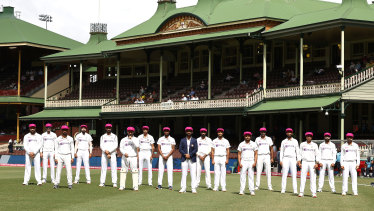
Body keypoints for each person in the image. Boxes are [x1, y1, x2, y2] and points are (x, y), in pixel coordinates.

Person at [280, 128, 300, 194]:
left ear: (292, 133)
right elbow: (281, 151)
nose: (289, 133)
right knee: (284, 174)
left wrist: (298, 160)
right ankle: (283, 189)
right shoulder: (283, 141)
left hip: (293, 158)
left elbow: (297, 151)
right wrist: (281, 160)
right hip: (285, 158)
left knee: (294, 174)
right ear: (286, 133)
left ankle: (295, 190)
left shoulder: (295, 141)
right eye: (288, 132)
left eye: (290, 132)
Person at [299, 132, 319, 198]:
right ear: (306, 137)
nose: (309, 137)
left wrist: (317, 163)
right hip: (304, 162)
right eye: (307, 136)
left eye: (310, 136)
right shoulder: (302, 144)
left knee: (313, 178)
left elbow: (317, 155)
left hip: (312, 162)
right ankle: (301, 192)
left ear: (312, 137)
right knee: (303, 177)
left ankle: (313, 193)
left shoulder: (315, 145)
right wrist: (299, 162)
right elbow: (300, 154)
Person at [119, 127, 139, 191]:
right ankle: (122, 186)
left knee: (134, 171)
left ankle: (135, 186)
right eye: (129, 131)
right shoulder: (123, 139)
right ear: (127, 132)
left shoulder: (136, 139)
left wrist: (132, 140)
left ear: (133, 132)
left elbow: (137, 146)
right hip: (125, 156)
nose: (130, 133)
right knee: (123, 171)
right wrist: (124, 153)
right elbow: (121, 148)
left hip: (133, 156)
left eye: (131, 131)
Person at [179, 127, 198, 194]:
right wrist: (185, 154)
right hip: (184, 159)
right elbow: (180, 149)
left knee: (193, 174)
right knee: (184, 174)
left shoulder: (194, 140)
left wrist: (190, 155)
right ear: (185, 132)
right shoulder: (182, 140)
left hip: (192, 159)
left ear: (192, 132)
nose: (188, 132)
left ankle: (193, 188)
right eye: (187, 131)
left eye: (190, 131)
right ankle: (183, 188)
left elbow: (196, 149)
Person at [238, 132, 258, 196]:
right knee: (242, 176)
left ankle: (252, 191)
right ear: (244, 136)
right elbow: (239, 154)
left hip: (251, 161)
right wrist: (239, 162)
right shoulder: (241, 144)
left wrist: (255, 162)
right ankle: (242, 190)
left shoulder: (254, 144)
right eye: (246, 136)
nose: (247, 137)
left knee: (251, 176)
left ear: (250, 136)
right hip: (243, 161)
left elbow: (256, 153)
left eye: (248, 136)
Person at [99, 124, 118, 188]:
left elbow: (115, 145)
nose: (108, 129)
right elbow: (101, 145)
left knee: (113, 168)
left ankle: (114, 183)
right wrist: (105, 151)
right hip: (104, 154)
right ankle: (102, 182)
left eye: (109, 128)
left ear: (111, 128)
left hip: (112, 154)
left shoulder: (115, 136)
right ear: (105, 128)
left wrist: (109, 151)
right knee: (103, 168)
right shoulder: (102, 136)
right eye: (107, 128)